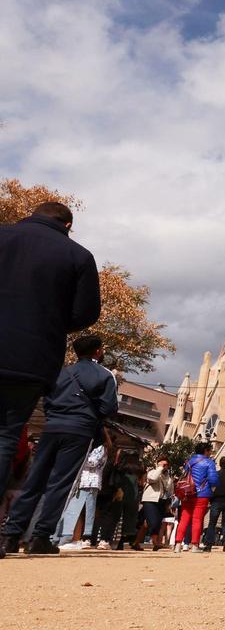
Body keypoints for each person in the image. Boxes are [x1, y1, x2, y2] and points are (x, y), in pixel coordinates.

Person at [0, 201, 102, 540]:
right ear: (68, 224)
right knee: (5, 438)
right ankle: (27, 535)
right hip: (28, 361)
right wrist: (50, 322)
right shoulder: (78, 256)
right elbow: (86, 313)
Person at [1, 335, 117, 556]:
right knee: (61, 484)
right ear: (98, 352)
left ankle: (11, 536)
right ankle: (41, 537)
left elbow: (47, 398)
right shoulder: (105, 376)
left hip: (52, 426)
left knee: (34, 480)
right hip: (80, 431)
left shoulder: (61, 372)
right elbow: (109, 408)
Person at [56, 437, 108, 549]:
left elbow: (93, 462)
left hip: (90, 482)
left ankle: (82, 537)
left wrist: (78, 455)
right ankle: (74, 537)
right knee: (76, 510)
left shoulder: (100, 448)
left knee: (84, 511)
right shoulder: (91, 447)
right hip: (80, 482)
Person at [173, 442, 218, 552]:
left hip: (187, 492)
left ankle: (178, 544)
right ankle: (194, 545)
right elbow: (213, 479)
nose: (210, 452)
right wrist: (212, 489)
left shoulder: (189, 462)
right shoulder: (209, 462)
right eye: (209, 450)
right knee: (197, 519)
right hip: (202, 493)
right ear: (206, 451)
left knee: (184, 517)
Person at [138, 457, 172, 551]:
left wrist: (168, 502)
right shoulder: (152, 472)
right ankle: (155, 542)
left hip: (161, 501)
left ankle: (136, 542)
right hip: (150, 500)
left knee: (146, 523)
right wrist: (159, 468)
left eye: (166, 465)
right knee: (154, 522)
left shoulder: (168, 476)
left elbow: (170, 489)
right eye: (162, 464)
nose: (164, 466)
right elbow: (152, 479)